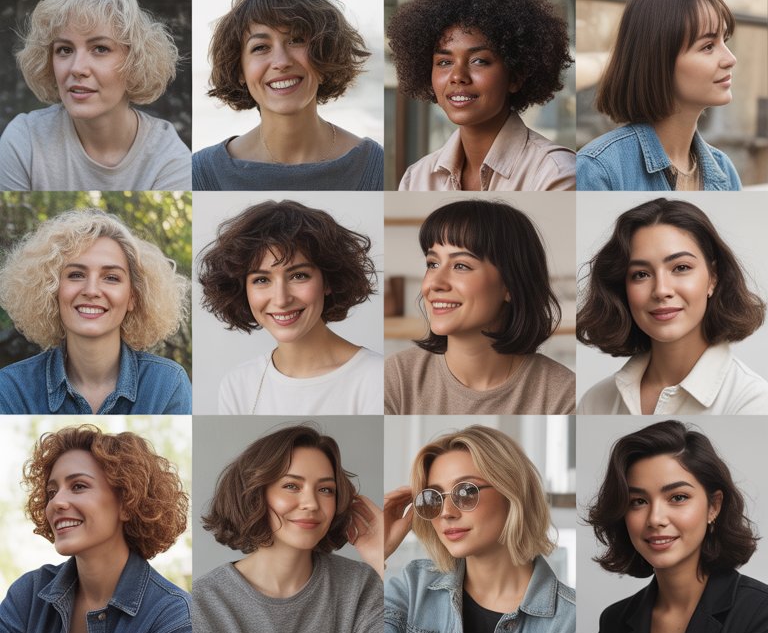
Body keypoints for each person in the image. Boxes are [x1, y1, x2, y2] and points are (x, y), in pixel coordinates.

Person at [577, 197, 768, 416]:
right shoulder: (595, 403)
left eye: (681, 267)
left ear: (713, 278)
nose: (661, 290)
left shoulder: (753, 403)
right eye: (641, 274)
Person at [191, 424, 383, 633]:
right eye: (292, 486)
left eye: (325, 490)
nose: (311, 503)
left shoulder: (360, 585)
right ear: (255, 495)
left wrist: (379, 556)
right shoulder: (203, 601)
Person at [385, 199, 574, 416]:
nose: (434, 283)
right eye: (432, 264)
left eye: (461, 266)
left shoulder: (564, 396)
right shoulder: (396, 378)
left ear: (511, 284)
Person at [0, 424, 190, 633]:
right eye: (51, 492)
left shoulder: (172, 613)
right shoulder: (29, 594)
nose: (56, 502)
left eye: (79, 486)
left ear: (127, 502)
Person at [384, 424, 574, 633]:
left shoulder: (570, 620)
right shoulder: (413, 587)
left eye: (465, 492)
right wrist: (379, 550)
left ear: (511, 493)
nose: (446, 512)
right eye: (434, 498)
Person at [0, 0, 190, 191]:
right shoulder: (25, 140)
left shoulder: (169, 160)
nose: (77, 68)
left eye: (100, 48)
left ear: (135, 60)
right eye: (65, 49)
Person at [387, 0, 575, 190]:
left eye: (479, 61)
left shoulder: (556, 175)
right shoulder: (417, 180)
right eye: (445, 62)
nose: (458, 76)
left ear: (515, 76)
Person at [192, 0, 382, 190]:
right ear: (239, 70)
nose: (281, 62)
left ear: (325, 52)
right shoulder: (201, 174)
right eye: (261, 47)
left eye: (296, 40)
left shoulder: (375, 168)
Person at [197, 199, 382, 416]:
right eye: (261, 280)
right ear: (243, 289)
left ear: (328, 281)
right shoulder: (238, 385)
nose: (281, 299)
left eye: (298, 276)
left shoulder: (376, 378)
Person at [586, 419, 768, 633]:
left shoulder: (759, 612)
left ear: (714, 506)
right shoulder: (614, 621)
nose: (655, 519)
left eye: (678, 497)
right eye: (638, 501)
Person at [0, 208, 191, 414]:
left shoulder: (167, 385)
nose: (91, 291)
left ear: (133, 297)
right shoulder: (12, 389)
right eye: (76, 275)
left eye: (111, 278)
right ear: (51, 289)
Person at [577, 0, 740, 191]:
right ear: (659, 60)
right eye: (708, 46)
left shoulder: (724, 170)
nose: (730, 59)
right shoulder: (598, 170)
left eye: (724, 41)